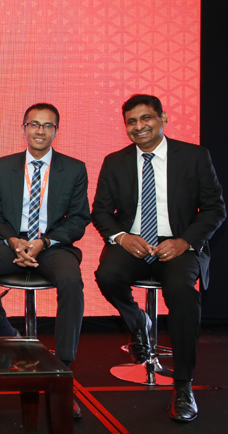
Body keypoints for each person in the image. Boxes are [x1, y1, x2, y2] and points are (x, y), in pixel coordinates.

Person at [92, 94, 225, 422]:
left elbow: (214, 209)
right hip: (134, 242)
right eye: (131, 122)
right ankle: (139, 320)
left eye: (146, 118)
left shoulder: (194, 156)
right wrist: (123, 237)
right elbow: (101, 212)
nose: (139, 126)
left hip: (178, 244)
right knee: (106, 275)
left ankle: (183, 385)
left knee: (181, 291)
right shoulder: (115, 161)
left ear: (163, 118)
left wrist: (185, 241)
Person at [0, 103, 90, 419]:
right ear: (24, 128)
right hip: (12, 242)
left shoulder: (74, 169)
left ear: (56, 131)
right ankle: (6, 331)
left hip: (53, 245)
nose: (40, 131)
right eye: (34, 124)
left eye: (48, 126)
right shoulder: (3, 166)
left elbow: (79, 219)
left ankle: (63, 369)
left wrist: (43, 242)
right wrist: (14, 241)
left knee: (71, 280)